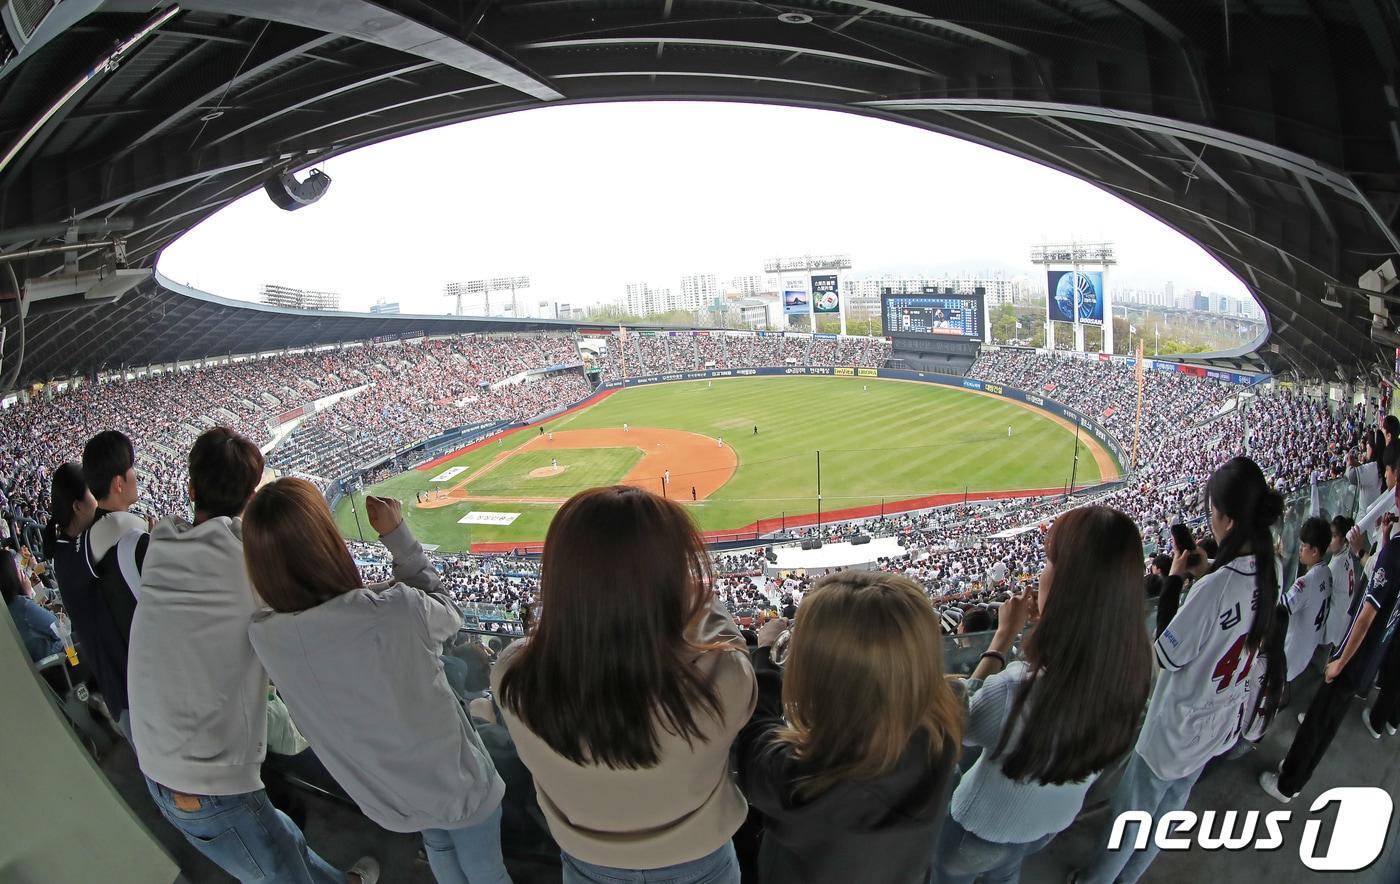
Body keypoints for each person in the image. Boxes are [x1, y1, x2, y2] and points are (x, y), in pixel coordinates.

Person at [129, 429, 376, 884]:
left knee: (279, 838)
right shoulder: (251, 559)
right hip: (208, 784)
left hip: (153, 765)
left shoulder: (160, 546)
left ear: (191, 489)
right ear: (250, 496)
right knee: (278, 867)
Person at [245, 480, 509, 884]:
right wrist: (398, 538)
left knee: (438, 846)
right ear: (325, 544)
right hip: (457, 785)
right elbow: (446, 615)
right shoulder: (394, 610)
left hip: (388, 797)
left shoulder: (264, 635)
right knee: (485, 868)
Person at [493, 486, 756, 884]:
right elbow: (724, 639)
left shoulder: (514, 674)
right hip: (701, 865)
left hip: (585, 866)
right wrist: (686, 595)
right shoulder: (724, 680)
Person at [1081, 457, 1285, 884]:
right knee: (1164, 820)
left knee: (1131, 822)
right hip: (1216, 725)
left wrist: (1175, 580)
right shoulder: (1272, 568)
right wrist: (1206, 573)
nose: (1209, 523)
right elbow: (1232, 608)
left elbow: (1166, 653)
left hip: (1174, 733)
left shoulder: (1214, 589)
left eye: (1212, 514)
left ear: (1227, 520)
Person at [936, 507, 1151, 884]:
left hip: (981, 828)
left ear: (1068, 585)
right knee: (1006, 872)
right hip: (1050, 822)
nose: (1041, 573)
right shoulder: (1134, 664)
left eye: (1050, 562)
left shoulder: (1017, 687)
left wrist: (1000, 641)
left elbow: (954, 722)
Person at [735, 572, 961, 884]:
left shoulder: (799, 781)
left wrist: (767, 655)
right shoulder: (947, 721)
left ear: (819, 673)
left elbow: (752, 735)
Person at [1265, 453, 1400, 799]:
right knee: (1327, 721)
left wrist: (1340, 661)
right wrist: (1381, 542)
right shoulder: (1386, 552)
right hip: (1373, 657)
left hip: (1355, 655)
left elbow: (1368, 612)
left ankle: (1287, 783)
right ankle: (1296, 778)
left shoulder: (1391, 555)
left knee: (1318, 724)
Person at [1281, 517, 1333, 688]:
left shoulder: (1305, 583)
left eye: (1304, 546)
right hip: (1307, 648)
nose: (1301, 549)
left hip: (1291, 653)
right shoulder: (1327, 572)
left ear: (1315, 551)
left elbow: (1281, 608)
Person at [3, 547, 63, 662]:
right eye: (17, 568)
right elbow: (59, 629)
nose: (21, 571)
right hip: (60, 660)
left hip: (48, 665)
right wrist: (29, 596)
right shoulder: (22, 604)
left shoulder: (9, 607)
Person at [1326, 516, 1360, 650]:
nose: (1330, 540)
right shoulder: (1346, 556)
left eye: (1334, 536)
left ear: (1344, 540)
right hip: (1342, 622)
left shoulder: (1334, 567)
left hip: (1332, 629)